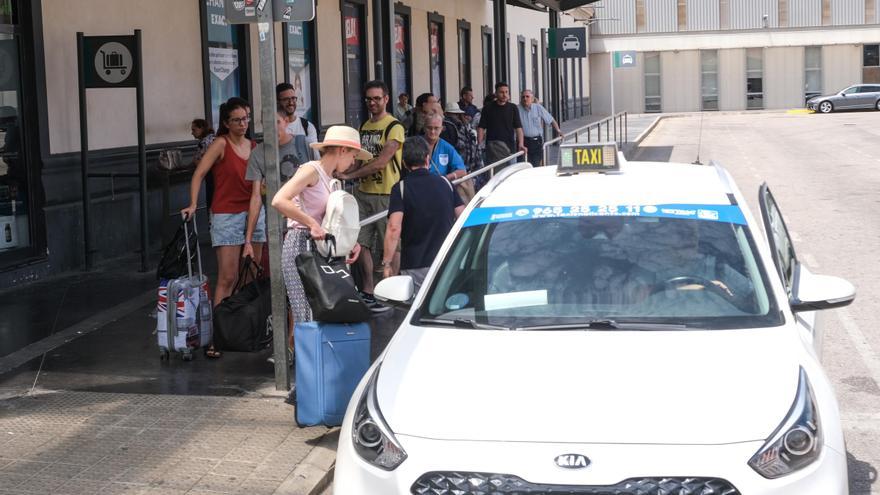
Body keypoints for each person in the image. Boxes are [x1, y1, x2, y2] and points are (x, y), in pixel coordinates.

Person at [271, 126, 367, 347]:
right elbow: (279, 200)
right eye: (353, 156)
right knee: (305, 313)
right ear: (342, 150)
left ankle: (316, 367)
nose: (353, 162)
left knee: (323, 310)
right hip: (300, 244)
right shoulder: (311, 170)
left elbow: (332, 221)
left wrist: (351, 243)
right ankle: (307, 371)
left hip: (321, 247)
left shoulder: (332, 180)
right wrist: (311, 223)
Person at [182, 98, 263, 359]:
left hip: (253, 214)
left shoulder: (255, 147)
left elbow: (258, 190)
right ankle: (218, 336)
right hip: (226, 214)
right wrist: (194, 203)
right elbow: (199, 174)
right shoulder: (220, 144)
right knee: (227, 278)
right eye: (237, 120)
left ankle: (240, 331)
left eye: (246, 118)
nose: (243, 124)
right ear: (226, 123)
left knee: (250, 277)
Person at [337, 80, 404, 311]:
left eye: (377, 98)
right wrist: (340, 170)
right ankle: (368, 290)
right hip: (363, 194)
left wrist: (350, 176)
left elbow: (381, 162)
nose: (372, 103)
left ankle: (390, 291)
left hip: (387, 194)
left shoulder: (394, 126)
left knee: (391, 244)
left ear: (386, 99)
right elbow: (358, 158)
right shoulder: (364, 126)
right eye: (369, 99)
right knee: (360, 242)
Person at [383, 136, 465, 290]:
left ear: (404, 163)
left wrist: (387, 263)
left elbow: (394, 227)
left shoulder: (400, 189)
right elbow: (463, 217)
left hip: (415, 264)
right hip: (447, 261)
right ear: (427, 159)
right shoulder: (446, 183)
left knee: (417, 309)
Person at [477, 82, 525, 168]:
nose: (504, 95)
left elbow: (518, 127)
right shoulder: (488, 108)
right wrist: (480, 144)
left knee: (510, 174)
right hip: (492, 148)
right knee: (494, 174)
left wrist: (521, 144)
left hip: (510, 147)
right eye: (501, 92)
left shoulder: (513, 108)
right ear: (496, 93)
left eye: (506, 92)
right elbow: (481, 127)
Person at [277, 82, 319, 161]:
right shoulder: (275, 128)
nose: (291, 102)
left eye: (293, 98)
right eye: (286, 99)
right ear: (278, 102)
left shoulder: (307, 126)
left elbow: (315, 158)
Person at [518, 89, 561, 166]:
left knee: (535, 164)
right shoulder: (517, 109)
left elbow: (551, 120)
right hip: (523, 142)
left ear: (532, 98)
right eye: (523, 97)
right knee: (523, 165)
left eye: (527, 96)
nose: (525, 98)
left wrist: (558, 130)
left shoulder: (538, 107)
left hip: (536, 142)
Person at [440, 101, 482, 173]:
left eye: (457, 114)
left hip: (466, 165)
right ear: (446, 114)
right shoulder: (447, 127)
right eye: (453, 114)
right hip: (457, 166)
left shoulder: (463, 126)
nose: (456, 116)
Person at [423, 114, 466, 182]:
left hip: (439, 185)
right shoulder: (415, 144)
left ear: (442, 129)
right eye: (429, 128)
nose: (432, 131)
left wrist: (444, 178)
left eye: (436, 128)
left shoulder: (447, 147)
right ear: (424, 128)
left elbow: (462, 171)